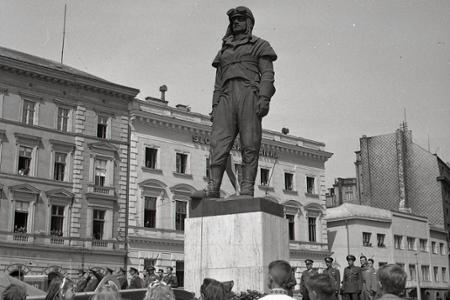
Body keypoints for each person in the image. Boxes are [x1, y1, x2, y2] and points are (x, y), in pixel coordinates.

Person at [191, 6, 277, 199]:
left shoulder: (260, 45)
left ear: (249, 22)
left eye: (240, 19)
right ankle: (213, 187)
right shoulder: (224, 50)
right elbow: (217, 82)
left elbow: (268, 75)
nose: (236, 22)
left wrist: (264, 98)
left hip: (249, 94)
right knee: (217, 143)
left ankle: (247, 189)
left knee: (250, 143)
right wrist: (215, 106)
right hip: (226, 97)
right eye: (233, 20)